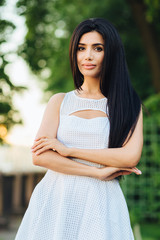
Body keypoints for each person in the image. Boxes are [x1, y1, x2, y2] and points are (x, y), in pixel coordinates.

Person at [15, 18, 143, 240]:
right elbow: (40, 157)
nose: (88, 56)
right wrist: (95, 172)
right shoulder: (59, 101)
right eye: (81, 48)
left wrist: (68, 150)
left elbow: (130, 156)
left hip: (101, 201)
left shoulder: (128, 103)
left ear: (110, 53)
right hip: (57, 196)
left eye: (98, 48)